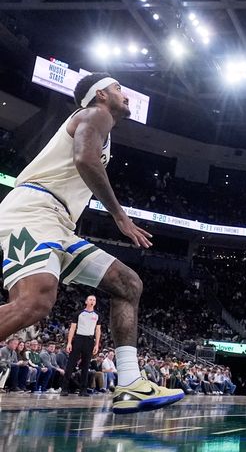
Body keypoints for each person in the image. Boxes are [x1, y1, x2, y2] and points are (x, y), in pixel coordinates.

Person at [0, 73, 183, 413]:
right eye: (117, 88)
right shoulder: (94, 114)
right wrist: (120, 216)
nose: (124, 94)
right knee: (35, 302)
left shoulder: (104, 128)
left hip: (59, 222)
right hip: (33, 208)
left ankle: (129, 384)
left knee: (128, 283)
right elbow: (85, 159)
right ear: (100, 94)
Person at [62, 295, 101, 396]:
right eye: (90, 299)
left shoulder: (97, 315)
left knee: (86, 365)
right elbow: (72, 329)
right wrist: (69, 342)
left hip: (89, 340)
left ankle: (83, 389)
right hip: (79, 338)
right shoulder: (78, 314)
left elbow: (98, 330)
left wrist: (97, 344)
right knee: (71, 363)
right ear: (86, 301)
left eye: (94, 300)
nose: (92, 301)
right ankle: (64, 388)